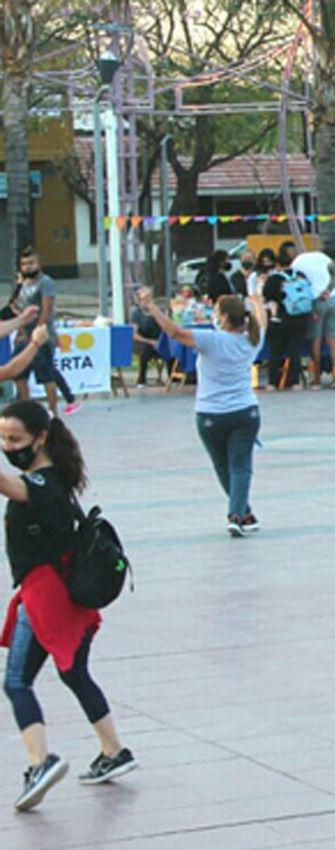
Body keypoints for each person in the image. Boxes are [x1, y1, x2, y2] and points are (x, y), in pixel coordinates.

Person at [1, 399, 137, 812]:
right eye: (3, 439)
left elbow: (11, 486)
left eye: (15, 439)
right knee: (74, 672)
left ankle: (40, 763)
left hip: (48, 598)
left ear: (40, 438)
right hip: (67, 595)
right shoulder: (53, 475)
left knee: (16, 682)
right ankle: (114, 750)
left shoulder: (43, 484)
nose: (8, 447)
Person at [136, 287, 267, 536]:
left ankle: (237, 513)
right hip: (245, 411)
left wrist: (151, 306)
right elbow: (262, 321)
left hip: (210, 413)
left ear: (224, 317)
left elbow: (174, 332)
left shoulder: (211, 339)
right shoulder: (253, 339)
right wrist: (257, 301)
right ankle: (241, 512)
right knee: (241, 466)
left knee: (223, 466)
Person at [11, 249, 79, 417]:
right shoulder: (22, 284)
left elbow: (46, 310)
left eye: (31, 263)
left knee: (46, 376)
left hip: (41, 336)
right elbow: (15, 306)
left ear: (39, 264)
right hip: (24, 335)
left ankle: (53, 412)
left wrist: (38, 331)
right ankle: (26, 410)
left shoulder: (45, 282)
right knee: (19, 374)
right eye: (24, 264)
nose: (27, 267)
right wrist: (19, 330)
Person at [287, 244, 335, 390]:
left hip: (316, 300)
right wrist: (329, 289)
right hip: (333, 299)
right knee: (331, 339)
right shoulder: (322, 257)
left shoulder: (297, 262)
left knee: (316, 339)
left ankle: (316, 378)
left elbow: (294, 282)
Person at [260, 268, 309, 391]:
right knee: (295, 352)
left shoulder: (274, 281)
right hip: (297, 320)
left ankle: (272, 382)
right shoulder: (299, 278)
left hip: (277, 321)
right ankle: (295, 381)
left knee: (275, 352)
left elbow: (266, 297)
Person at [129, 298, 167, 388]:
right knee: (146, 349)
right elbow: (134, 335)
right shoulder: (136, 314)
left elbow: (165, 328)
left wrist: (160, 341)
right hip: (143, 342)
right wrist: (150, 342)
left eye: (147, 301)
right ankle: (141, 380)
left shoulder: (157, 313)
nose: (145, 303)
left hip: (158, 341)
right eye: (142, 301)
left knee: (171, 348)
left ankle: (174, 378)